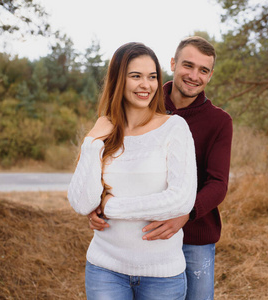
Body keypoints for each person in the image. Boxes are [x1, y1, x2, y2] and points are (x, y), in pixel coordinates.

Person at [89, 36, 233, 300]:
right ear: (173, 63)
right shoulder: (142, 103)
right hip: (139, 233)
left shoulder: (219, 121)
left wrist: (184, 214)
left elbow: (218, 183)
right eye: (187, 66)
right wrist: (96, 202)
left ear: (211, 75)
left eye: (203, 70)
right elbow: (112, 164)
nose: (194, 75)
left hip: (195, 233)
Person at [68, 42, 197, 300]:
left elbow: (181, 199)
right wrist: (92, 143)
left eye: (152, 77)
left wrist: (110, 207)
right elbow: (82, 203)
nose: (146, 85)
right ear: (118, 80)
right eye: (135, 76)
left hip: (162, 274)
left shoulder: (174, 128)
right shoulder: (103, 132)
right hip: (105, 269)